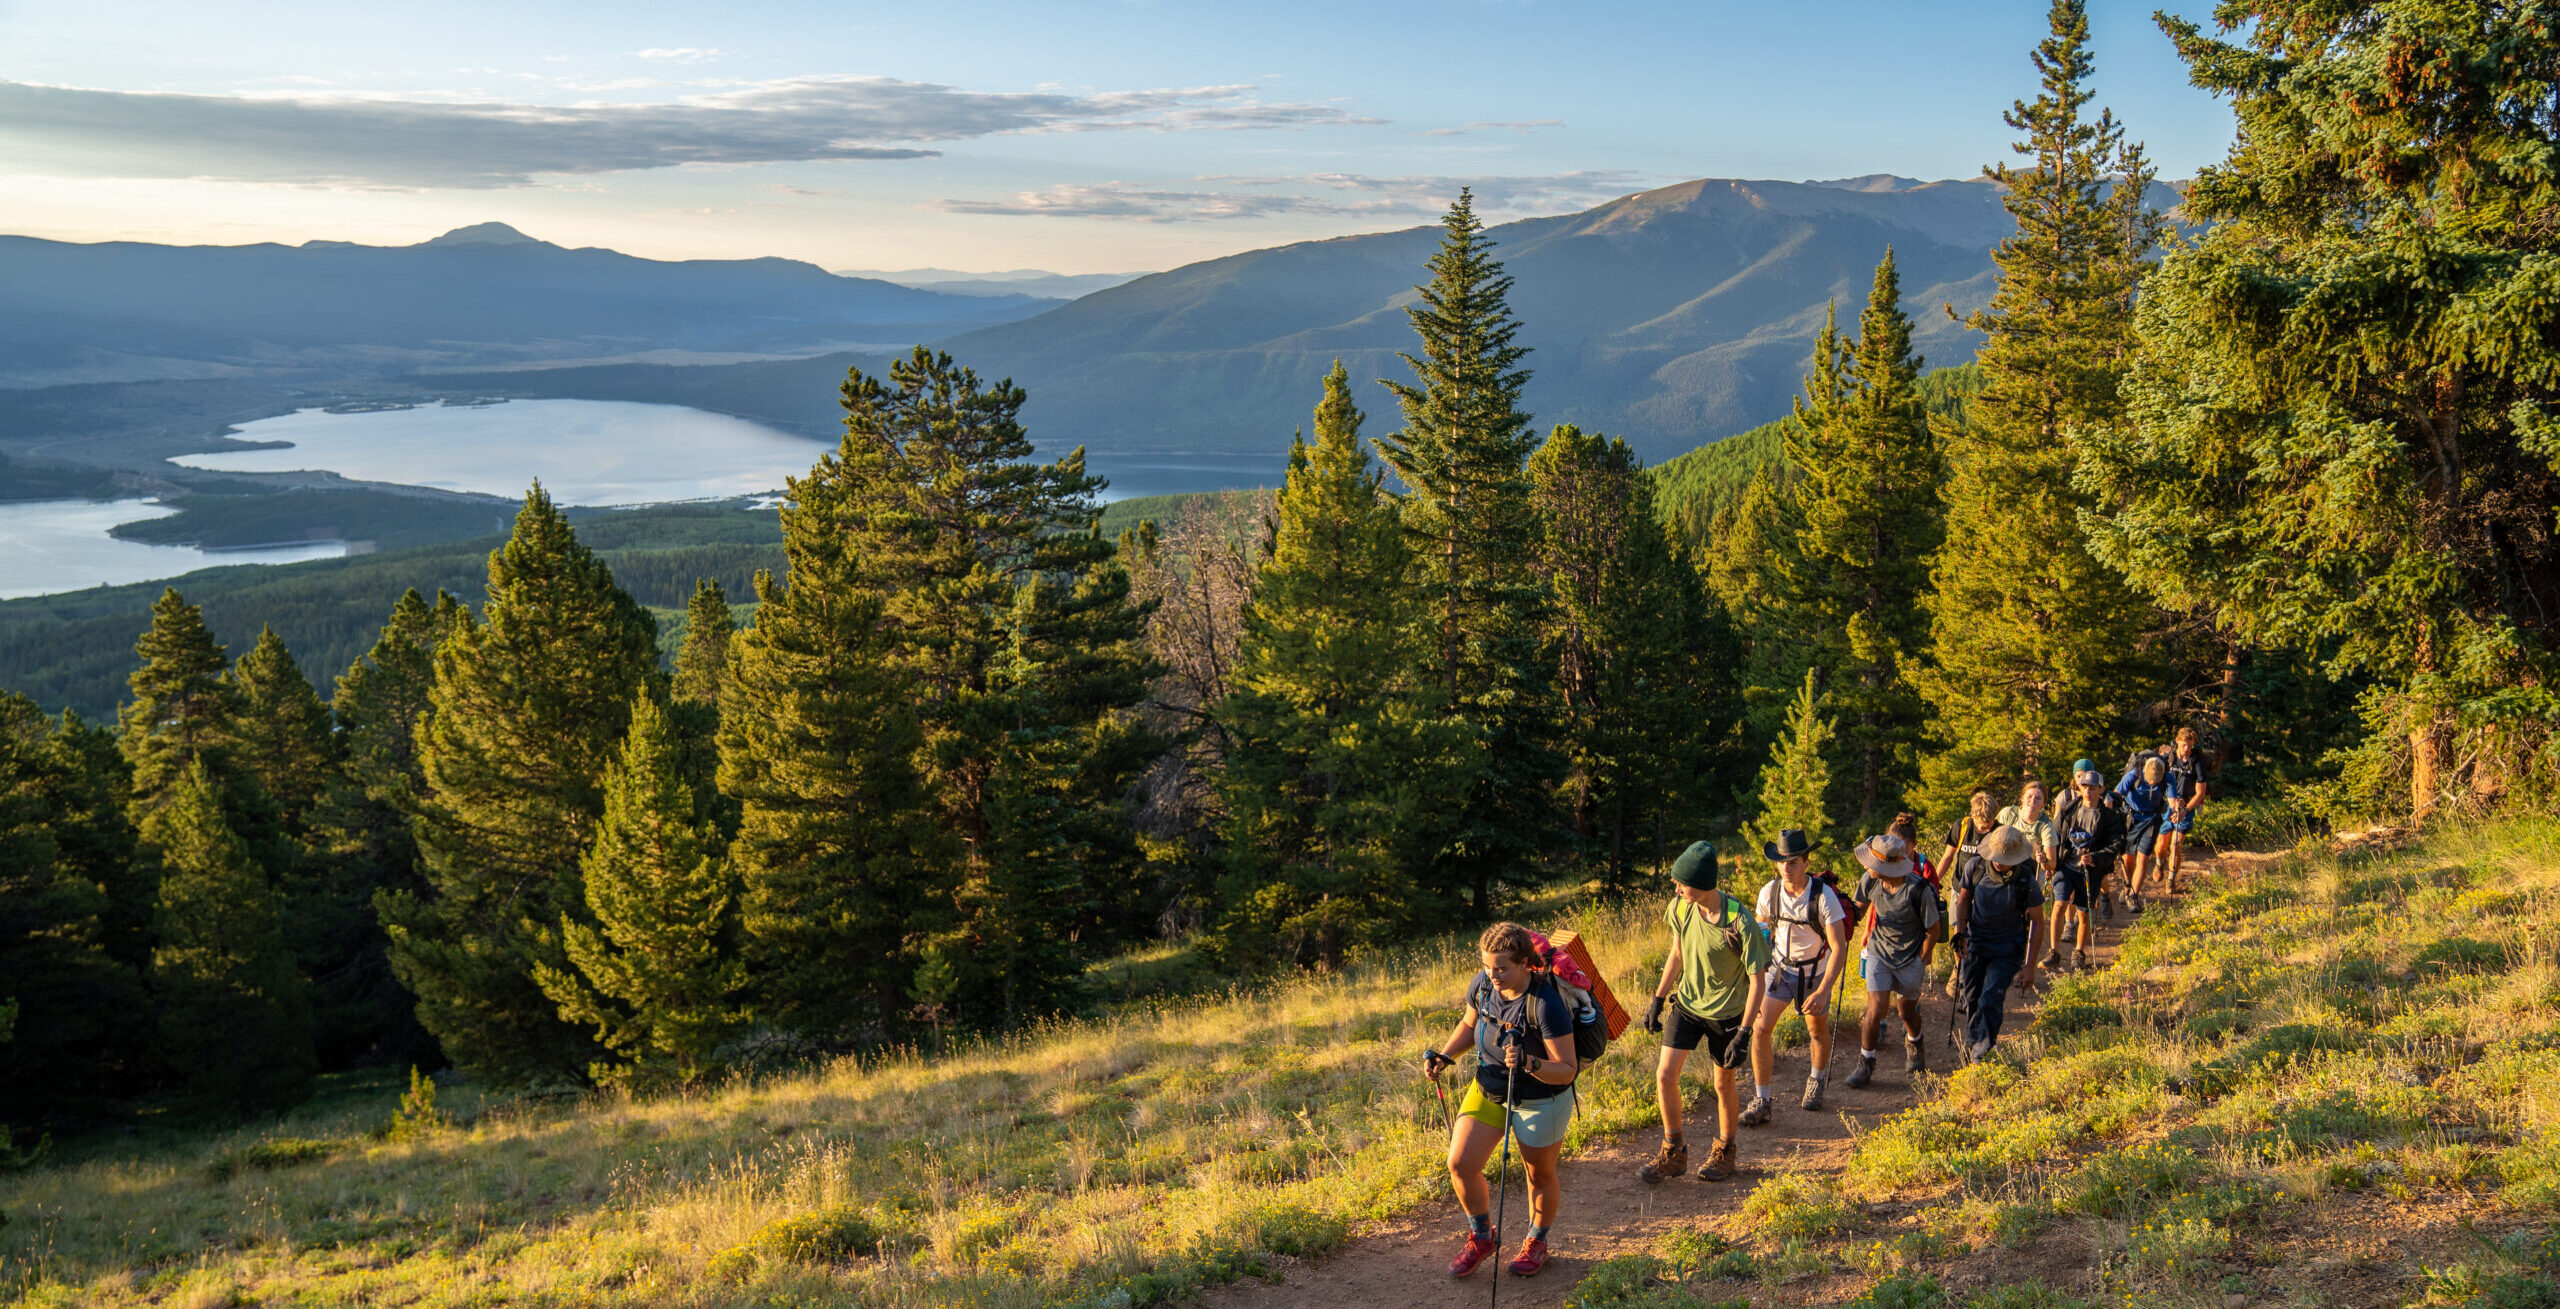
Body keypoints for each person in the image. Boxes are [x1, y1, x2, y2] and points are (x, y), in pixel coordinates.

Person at [1428, 921, 1582, 1279]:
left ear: (1525, 963)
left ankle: (1536, 1241)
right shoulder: (1483, 985)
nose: (1492, 974)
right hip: (1490, 1088)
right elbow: (1470, 1025)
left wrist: (1529, 1062)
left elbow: (1567, 1069)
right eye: (1487, 966)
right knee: (1461, 1163)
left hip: (1541, 1098)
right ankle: (1482, 1237)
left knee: (1538, 1174)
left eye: (1501, 968)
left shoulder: (1545, 1005)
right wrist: (1446, 1056)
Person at [1635, 841, 1771, 1186]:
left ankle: (1725, 1151)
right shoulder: (1681, 908)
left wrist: (1744, 1033)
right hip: (1688, 1004)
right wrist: (1657, 997)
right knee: (1665, 1075)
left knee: (1722, 1082)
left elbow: (1758, 981)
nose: (1676, 888)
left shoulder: (1740, 922)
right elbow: (1677, 953)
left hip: (1727, 1014)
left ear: (1702, 883)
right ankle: (1674, 1151)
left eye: (1682, 883)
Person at [1745, 829, 1849, 1121]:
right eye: (1782, 862)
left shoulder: (1823, 896)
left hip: (1815, 973)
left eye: (1793, 862)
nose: (1786, 868)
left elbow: (1839, 948)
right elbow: (1762, 934)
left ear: (1806, 861)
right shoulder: (1769, 892)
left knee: (1816, 1031)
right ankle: (1762, 1099)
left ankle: (1816, 1080)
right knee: (1761, 1029)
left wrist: (1824, 989)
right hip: (1779, 970)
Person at [1844, 832, 1941, 1087]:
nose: (1867, 867)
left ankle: (1915, 1041)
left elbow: (1934, 930)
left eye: (1873, 863)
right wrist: (1840, 919)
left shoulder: (1918, 889)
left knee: (1906, 1011)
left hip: (1910, 956)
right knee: (1876, 1008)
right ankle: (1866, 1062)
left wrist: (1921, 958)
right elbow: (1858, 910)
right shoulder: (1870, 880)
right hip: (1879, 951)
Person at [1949, 824, 2047, 1063]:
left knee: (1990, 998)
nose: (1999, 862)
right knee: (1971, 996)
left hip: (2007, 948)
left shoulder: (2026, 879)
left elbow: (2038, 922)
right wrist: (1961, 933)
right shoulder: (1975, 867)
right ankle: (1974, 1041)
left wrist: (2030, 965)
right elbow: (1963, 900)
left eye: (2005, 858)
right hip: (1975, 942)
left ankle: (1983, 1048)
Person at [2048, 764, 2125, 970]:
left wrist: (2095, 858)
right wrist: (2048, 858)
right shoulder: (2068, 810)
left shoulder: (2110, 817)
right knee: (2059, 904)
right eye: (2085, 787)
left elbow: (2115, 846)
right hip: (2066, 865)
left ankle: (2079, 952)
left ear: (2101, 789)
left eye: (2093, 787)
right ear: (2079, 788)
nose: (2089, 791)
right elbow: (2054, 835)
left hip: (2091, 870)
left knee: (2083, 912)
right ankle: (2054, 952)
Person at [1937, 791, 1999, 996]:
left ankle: (1977, 973)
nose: (1984, 828)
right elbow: (1947, 857)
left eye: (1989, 824)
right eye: (1982, 824)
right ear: (1973, 816)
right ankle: (1959, 970)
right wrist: (1932, 882)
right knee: (1958, 932)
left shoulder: (1998, 831)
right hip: (1959, 889)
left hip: (1985, 892)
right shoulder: (1962, 827)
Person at [2114, 753, 2181, 912]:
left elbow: (2172, 801)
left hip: (2151, 820)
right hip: (2131, 818)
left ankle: (2134, 896)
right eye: (2151, 779)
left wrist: (2176, 809)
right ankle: (2127, 886)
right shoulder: (2134, 775)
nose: (2152, 782)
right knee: (2128, 858)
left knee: (2143, 858)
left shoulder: (2167, 778)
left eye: (2155, 780)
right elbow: (2117, 794)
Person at [2160, 727, 2212, 891]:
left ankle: (2171, 879)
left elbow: (2200, 793)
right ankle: (2159, 862)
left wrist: (2185, 811)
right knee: (2161, 845)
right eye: (2184, 745)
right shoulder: (2168, 759)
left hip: (2186, 805)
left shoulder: (2197, 762)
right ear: (2177, 742)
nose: (2188, 749)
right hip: (2166, 806)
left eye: (2190, 745)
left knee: (2176, 843)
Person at [1997, 779, 2060, 875]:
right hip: (2003, 866)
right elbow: (1991, 839)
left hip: (2028, 873)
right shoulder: (2008, 814)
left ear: (2043, 803)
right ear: (2022, 798)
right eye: (2029, 796)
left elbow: (2052, 864)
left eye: (2038, 798)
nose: (2033, 800)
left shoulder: (2045, 826)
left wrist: (2044, 860)